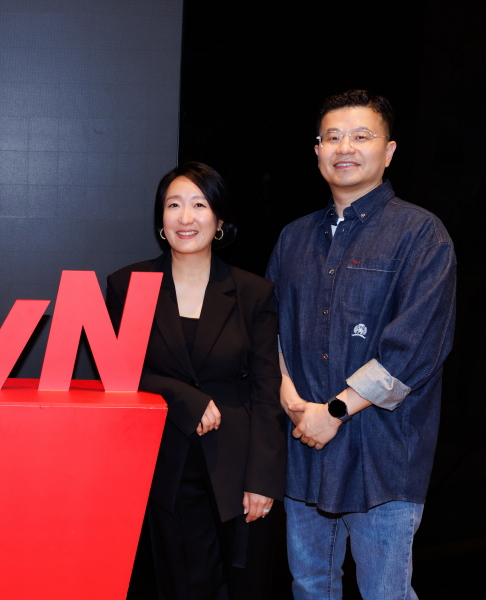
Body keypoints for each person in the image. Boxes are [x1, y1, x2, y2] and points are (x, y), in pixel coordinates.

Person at [266, 90, 456, 599]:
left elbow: (415, 349)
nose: (344, 147)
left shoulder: (422, 234)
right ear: (317, 151)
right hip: (304, 448)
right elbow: (271, 328)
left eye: (361, 136)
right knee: (310, 587)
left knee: (385, 593)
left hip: (383, 456)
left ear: (388, 151)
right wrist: (288, 395)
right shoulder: (293, 238)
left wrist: (334, 411)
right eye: (333, 137)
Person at [107, 163, 286, 600]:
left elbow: (267, 390)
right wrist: (181, 396)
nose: (185, 217)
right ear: (161, 220)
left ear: (219, 220)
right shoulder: (128, 285)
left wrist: (263, 479)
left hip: (238, 470)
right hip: (162, 467)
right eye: (174, 205)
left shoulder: (253, 293)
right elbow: (116, 374)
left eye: (199, 205)